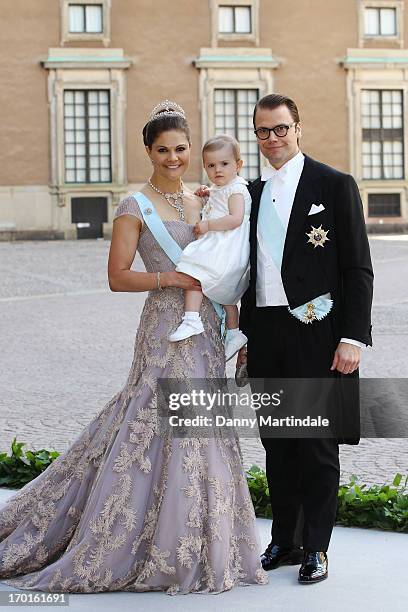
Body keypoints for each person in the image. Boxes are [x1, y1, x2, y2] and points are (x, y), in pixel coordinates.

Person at [0, 101, 268, 594]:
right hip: (166, 327)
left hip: (206, 327)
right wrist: (171, 277)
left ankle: (205, 540)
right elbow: (117, 278)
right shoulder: (133, 207)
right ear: (148, 150)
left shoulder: (204, 200)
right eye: (163, 149)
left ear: (192, 150)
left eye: (181, 149)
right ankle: (142, 540)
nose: (173, 158)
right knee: (152, 417)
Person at [237, 94, 373, 584]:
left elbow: (356, 267)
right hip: (266, 331)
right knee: (277, 441)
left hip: (319, 331)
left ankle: (317, 546)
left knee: (316, 442)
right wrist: (242, 333)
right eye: (262, 132)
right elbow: (242, 270)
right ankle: (285, 541)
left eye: (280, 129)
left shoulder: (334, 185)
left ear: (298, 128)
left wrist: (353, 337)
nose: (272, 139)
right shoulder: (249, 193)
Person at [169, 134, 250, 362]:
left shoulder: (236, 190)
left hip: (227, 244)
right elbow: (217, 200)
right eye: (211, 165)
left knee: (194, 270)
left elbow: (235, 218)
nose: (218, 170)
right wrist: (209, 193)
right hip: (223, 244)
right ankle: (234, 333)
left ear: (238, 165)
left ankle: (192, 318)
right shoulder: (222, 187)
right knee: (227, 295)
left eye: (224, 164)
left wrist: (207, 225)